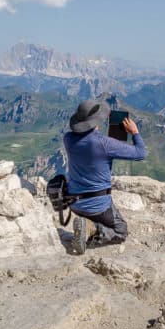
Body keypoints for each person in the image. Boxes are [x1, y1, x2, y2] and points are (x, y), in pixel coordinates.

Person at [64, 99, 147, 255]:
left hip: (74, 204)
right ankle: (91, 228)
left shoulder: (68, 139)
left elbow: (89, 143)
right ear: (97, 121)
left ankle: (86, 222)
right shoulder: (105, 144)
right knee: (121, 231)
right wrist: (135, 132)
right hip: (98, 207)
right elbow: (141, 153)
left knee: (94, 211)